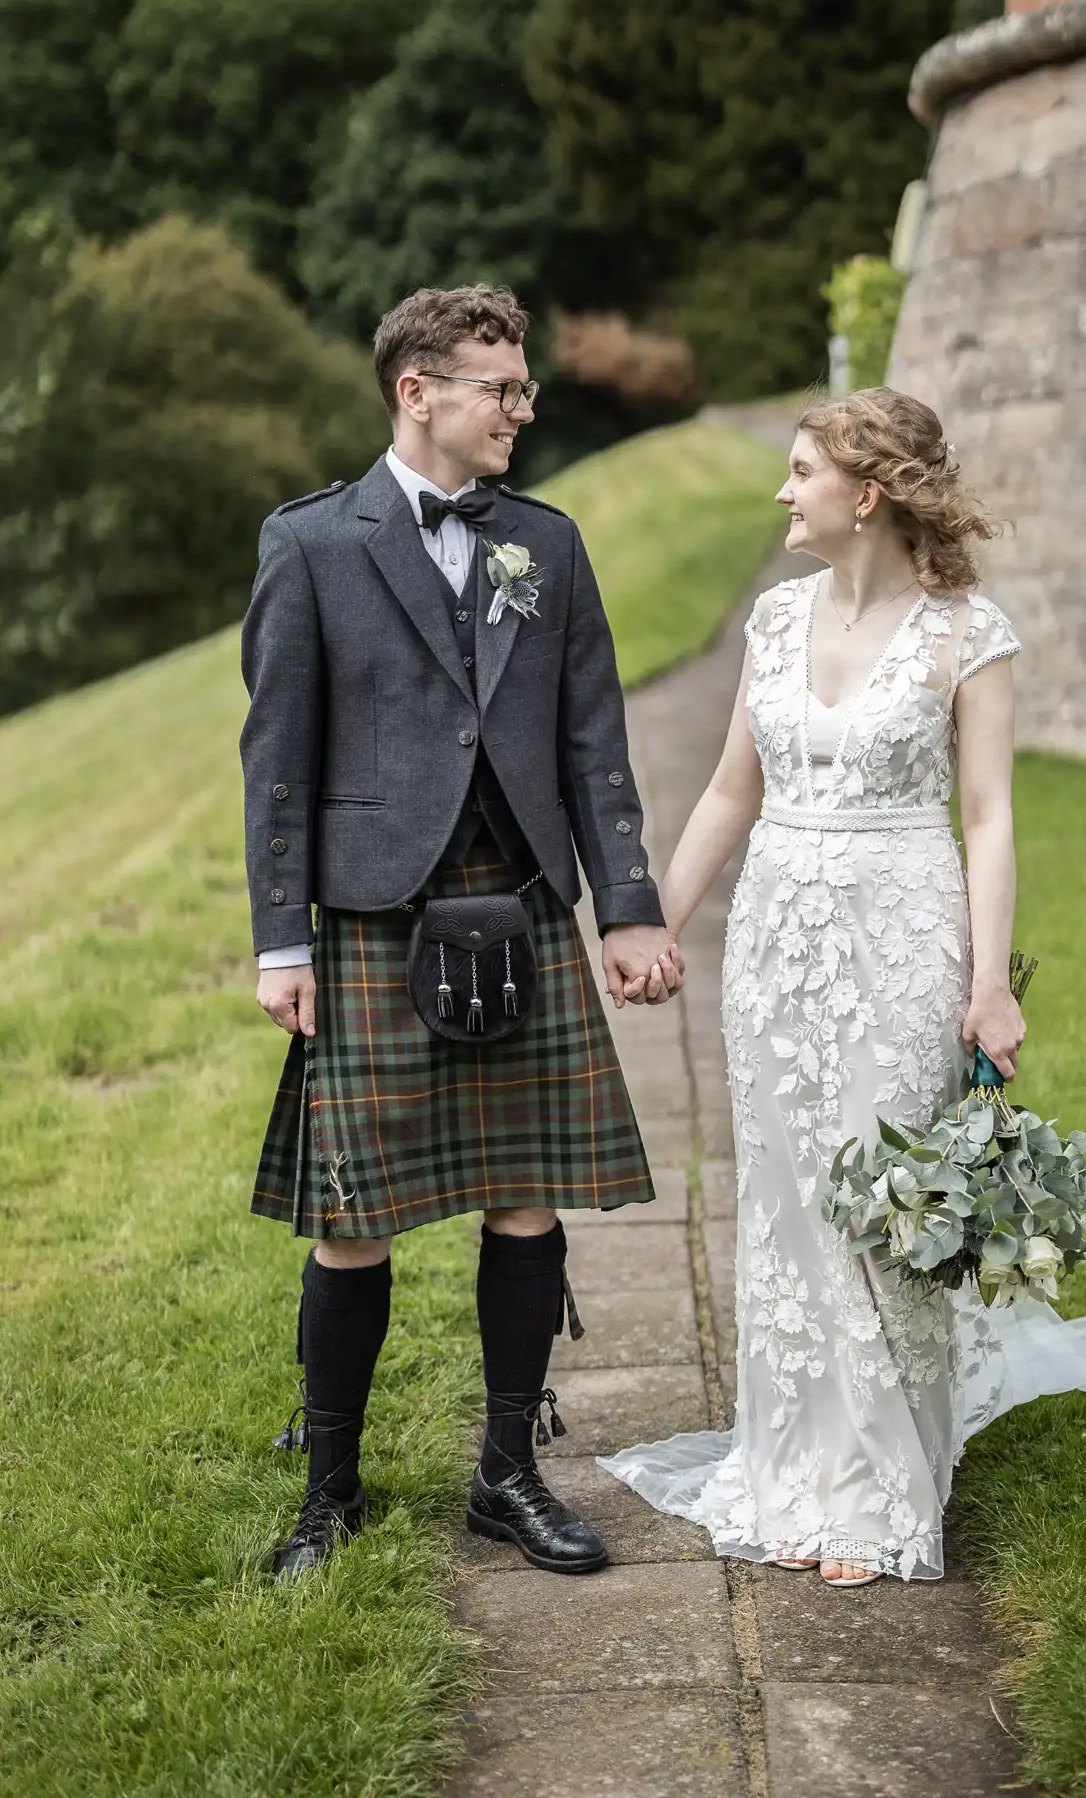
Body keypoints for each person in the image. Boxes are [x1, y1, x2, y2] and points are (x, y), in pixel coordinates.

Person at [602, 387, 1086, 1586]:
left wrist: (987, 984)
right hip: (774, 949)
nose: (781, 488)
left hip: (901, 939)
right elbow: (726, 793)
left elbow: (988, 816)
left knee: (881, 1204)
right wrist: (653, 916)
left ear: (865, 491)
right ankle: (791, 1461)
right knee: (786, 1201)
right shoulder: (770, 619)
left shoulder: (968, 634)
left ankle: (873, 1484)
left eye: (800, 470)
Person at [241, 282, 682, 1581]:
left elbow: (592, 739)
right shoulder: (313, 544)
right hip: (376, 909)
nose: (524, 407)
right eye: (501, 385)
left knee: (526, 1195)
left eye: (524, 382)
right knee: (353, 1213)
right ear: (415, 390)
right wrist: (283, 941)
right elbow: (277, 759)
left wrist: (631, 904)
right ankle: (330, 1492)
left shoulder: (545, 541)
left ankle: (508, 1473)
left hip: (523, 899)